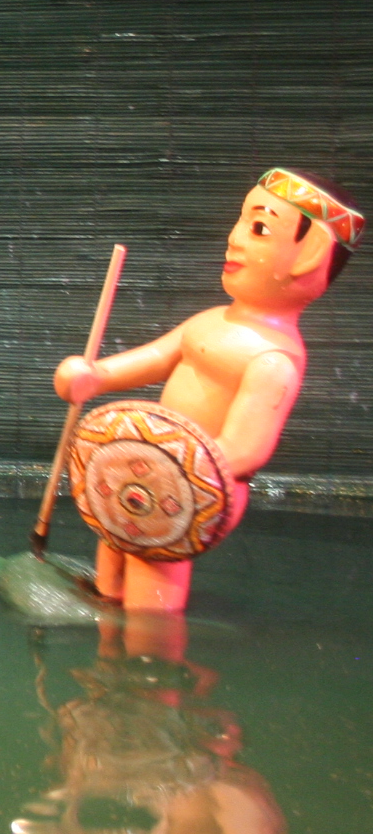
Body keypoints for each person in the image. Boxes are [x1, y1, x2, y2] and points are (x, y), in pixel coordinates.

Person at [55, 168, 358, 613]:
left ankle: (149, 650)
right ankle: (106, 613)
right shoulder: (209, 321)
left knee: (151, 563)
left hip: (196, 491)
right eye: (241, 221)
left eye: (258, 228)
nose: (234, 238)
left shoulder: (273, 359)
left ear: (309, 256)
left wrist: (179, 465)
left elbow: (246, 448)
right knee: (114, 541)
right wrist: (96, 376)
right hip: (148, 471)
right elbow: (156, 358)